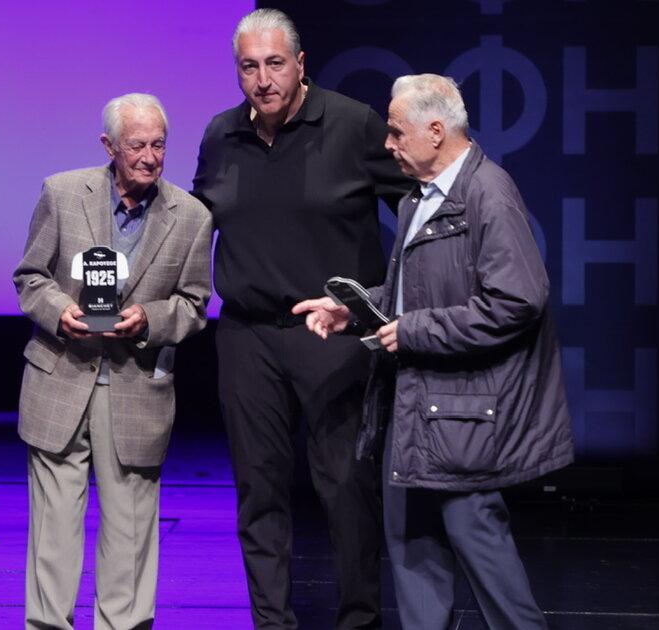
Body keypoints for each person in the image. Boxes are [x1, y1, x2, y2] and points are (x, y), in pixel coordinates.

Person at [293, 74, 575, 629]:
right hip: (413, 409)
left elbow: (517, 301)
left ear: (436, 132)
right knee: (413, 554)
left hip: (463, 414)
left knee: (482, 548)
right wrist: (357, 310)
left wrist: (415, 330)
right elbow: (416, 294)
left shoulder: (487, 193)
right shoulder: (418, 199)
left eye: (397, 133)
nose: (388, 144)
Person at [191, 9, 414, 629]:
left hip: (333, 333)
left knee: (345, 486)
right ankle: (272, 622)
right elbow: (194, 225)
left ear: (300, 64)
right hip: (246, 335)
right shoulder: (220, 134)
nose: (263, 80)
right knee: (258, 488)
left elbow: (418, 215)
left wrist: (386, 299)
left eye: (275, 64)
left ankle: (359, 620)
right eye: (249, 67)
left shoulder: (352, 124)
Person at [13, 93, 213, 630]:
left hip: (136, 384)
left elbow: (194, 305)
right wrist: (59, 312)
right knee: (54, 526)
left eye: (159, 145)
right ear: (109, 146)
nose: (149, 157)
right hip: (61, 374)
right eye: (136, 145)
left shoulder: (192, 216)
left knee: (130, 527)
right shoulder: (61, 193)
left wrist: (150, 318)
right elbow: (30, 277)